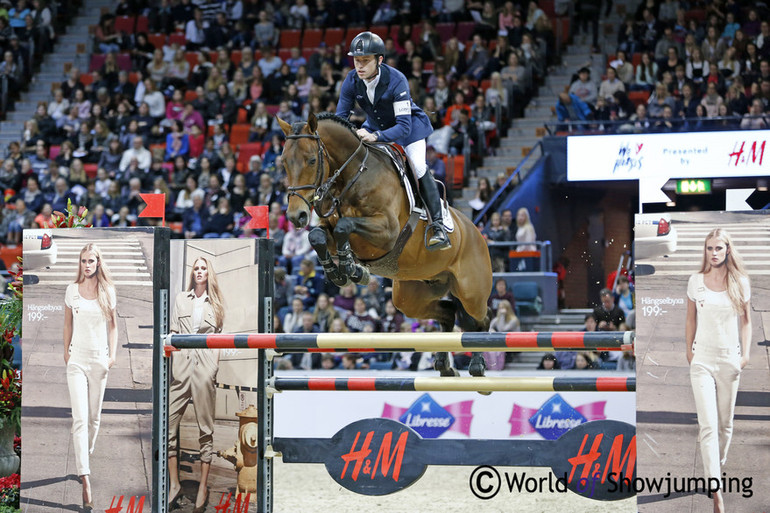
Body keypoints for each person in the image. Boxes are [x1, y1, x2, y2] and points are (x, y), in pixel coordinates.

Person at [335, 31, 450, 251]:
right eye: (356, 60)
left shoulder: (397, 80)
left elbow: (403, 126)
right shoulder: (351, 80)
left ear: (379, 60)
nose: (359, 66)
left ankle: (438, 226)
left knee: (417, 166)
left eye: (365, 61)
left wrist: (376, 136)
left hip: (409, 130)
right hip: (374, 126)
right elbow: (340, 119)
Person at [686, 228, 751, 513]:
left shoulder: (741, 282)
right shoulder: (695, 282)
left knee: (725, 425)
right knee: (708, 426)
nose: (713, 253)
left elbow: (747, 323)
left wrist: (744, 357)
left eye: (718, 248)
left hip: (729, 361)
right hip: (701, 361)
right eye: (709, 248)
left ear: (727, 250)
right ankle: (717, 492)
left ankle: (717, 465)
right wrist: (689, 351)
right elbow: (690, 320)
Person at [167, 257, 225, 512]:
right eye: (196, 268)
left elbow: (219, 339)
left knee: (205, 429)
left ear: (208, 273)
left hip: (204, 364)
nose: (199, 271)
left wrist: (213, 368)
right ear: (191, 272)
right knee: (168, 423)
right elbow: (172, 332)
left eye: (203, 268)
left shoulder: (217, 304)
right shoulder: (181, 298)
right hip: (181, 363)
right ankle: (174, 484)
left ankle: (202, 487)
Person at [64, 243, 118, 511]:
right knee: (80, 418)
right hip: (76, 361)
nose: (87, 265)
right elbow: (67, 324)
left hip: (99, 361)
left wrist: (111, 357)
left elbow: (113, 327)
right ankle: (85, 478)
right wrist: (66, 354)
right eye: (83, 261)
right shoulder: (71, 291)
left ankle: (86, 455)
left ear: (98, 263)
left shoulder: (107, 291)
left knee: (94, 419)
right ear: (80, 263)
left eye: (91, 261)